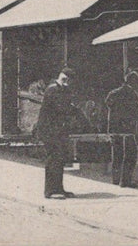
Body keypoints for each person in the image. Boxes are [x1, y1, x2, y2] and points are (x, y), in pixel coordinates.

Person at [36, 67, 81, 200]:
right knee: (53, 159)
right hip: (49, 130)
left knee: (59, 159)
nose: (67, 84)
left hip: (58, 130)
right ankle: (50, 191)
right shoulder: (52, 90)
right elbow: (61, 108)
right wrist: (75, 111)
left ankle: (59, 188)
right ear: (63, 78)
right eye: (66, 80)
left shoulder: (62, 89)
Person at [105, 70, 138, 188]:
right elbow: (136, 112)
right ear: (135, 82)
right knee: (130, 155)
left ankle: (115, 180)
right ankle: (125, 181)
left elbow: (108, 103)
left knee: (116, 155)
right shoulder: (133, 94)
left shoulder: (113, 93)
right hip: (127, 130)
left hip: (114, 129)